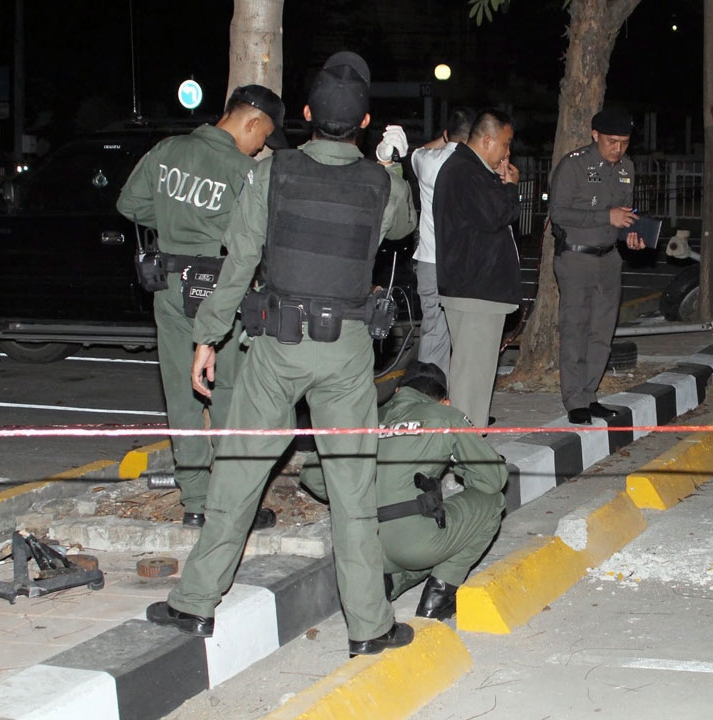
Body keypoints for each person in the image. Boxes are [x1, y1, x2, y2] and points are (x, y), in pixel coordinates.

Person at [146, 51, 419, 658]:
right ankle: (369, 626)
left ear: (306, 114)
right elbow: (402, 228)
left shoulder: (273, 173)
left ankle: (195, 603)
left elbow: (239, 263)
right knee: (353, 490)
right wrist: (392, 165)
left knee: (239, 473)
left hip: (275, 347)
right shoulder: (379, 184)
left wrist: (207, 337)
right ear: (365, 122)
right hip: (346, 352)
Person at [116, 85, 284, 531]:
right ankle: (230, 504)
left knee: (180, 393)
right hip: (222, 288)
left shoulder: (167, 150)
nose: (261, 146)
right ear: (251, 122)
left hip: (170, 283)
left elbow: (129, 203)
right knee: (228, 392)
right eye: (263, 135)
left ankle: (194, 500)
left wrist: (176, 224)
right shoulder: (243, 170)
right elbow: (259, 234)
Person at [299, 362, 507, 620]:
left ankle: (388, 584)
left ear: (398, 391)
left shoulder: (363, 418)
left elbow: (312, 475)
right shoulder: (445, 417)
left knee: (424, 528)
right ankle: (439, 596)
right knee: (493, 502)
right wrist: (461, 464)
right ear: (445, 401)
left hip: (363, 545)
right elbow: (492, 480)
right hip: (414, 545)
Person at [548, 107, 644, 425]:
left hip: (609, 258)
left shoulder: (626, 168)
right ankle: (574, 399)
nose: (618, 148)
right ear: (595, 135)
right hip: (577, 258)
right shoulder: (574, 165)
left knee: (602, 330)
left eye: (624, 142)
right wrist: (606, 216)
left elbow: (624, 215)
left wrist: (631, 235)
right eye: (612, 141)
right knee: (575, 328)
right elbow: (558, 213)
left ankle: (589, 394)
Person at [434, 109, 520, 430]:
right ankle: (466, 447)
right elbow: (496, 216)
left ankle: (470, 442)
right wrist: (510, 188)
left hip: (474, 288)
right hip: (476, 289)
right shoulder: (466, 172)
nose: (508, 153)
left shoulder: (469, 170)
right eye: (505, 144)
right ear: (487, 140)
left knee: (476, 375)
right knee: (472, 378)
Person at [410, 107, 477, 374]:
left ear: (448, 134)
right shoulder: (477, 167)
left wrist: (446, 137)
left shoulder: (427, 161)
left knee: (433, 332)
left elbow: (418, 151)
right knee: (468, 335)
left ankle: (431, 391)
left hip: (430, 260)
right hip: (465, 263)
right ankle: (464, 394)